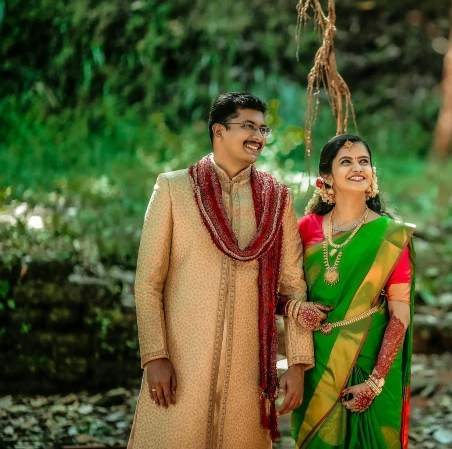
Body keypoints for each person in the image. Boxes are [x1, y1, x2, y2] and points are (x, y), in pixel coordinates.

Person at [128, 92, 328, 449]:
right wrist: (155, 356)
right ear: (218, 131)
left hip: (249, 369)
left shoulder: (276, 198)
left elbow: (293, 286)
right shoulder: (174, 188)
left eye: (263, 128)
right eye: (248, 126)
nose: (259, 136)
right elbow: (147, 283)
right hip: (182, 360)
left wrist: (297, 363)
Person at [288, 134, 416, 449]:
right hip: (316, 363)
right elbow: (276, 292)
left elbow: (400, 308)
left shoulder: (390, 234)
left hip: (372, 359)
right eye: (346, 161)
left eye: (364, 161)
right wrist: (294, 310)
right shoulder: (305, 228)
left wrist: (375, 381)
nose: (358, 167)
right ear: (327, 177)